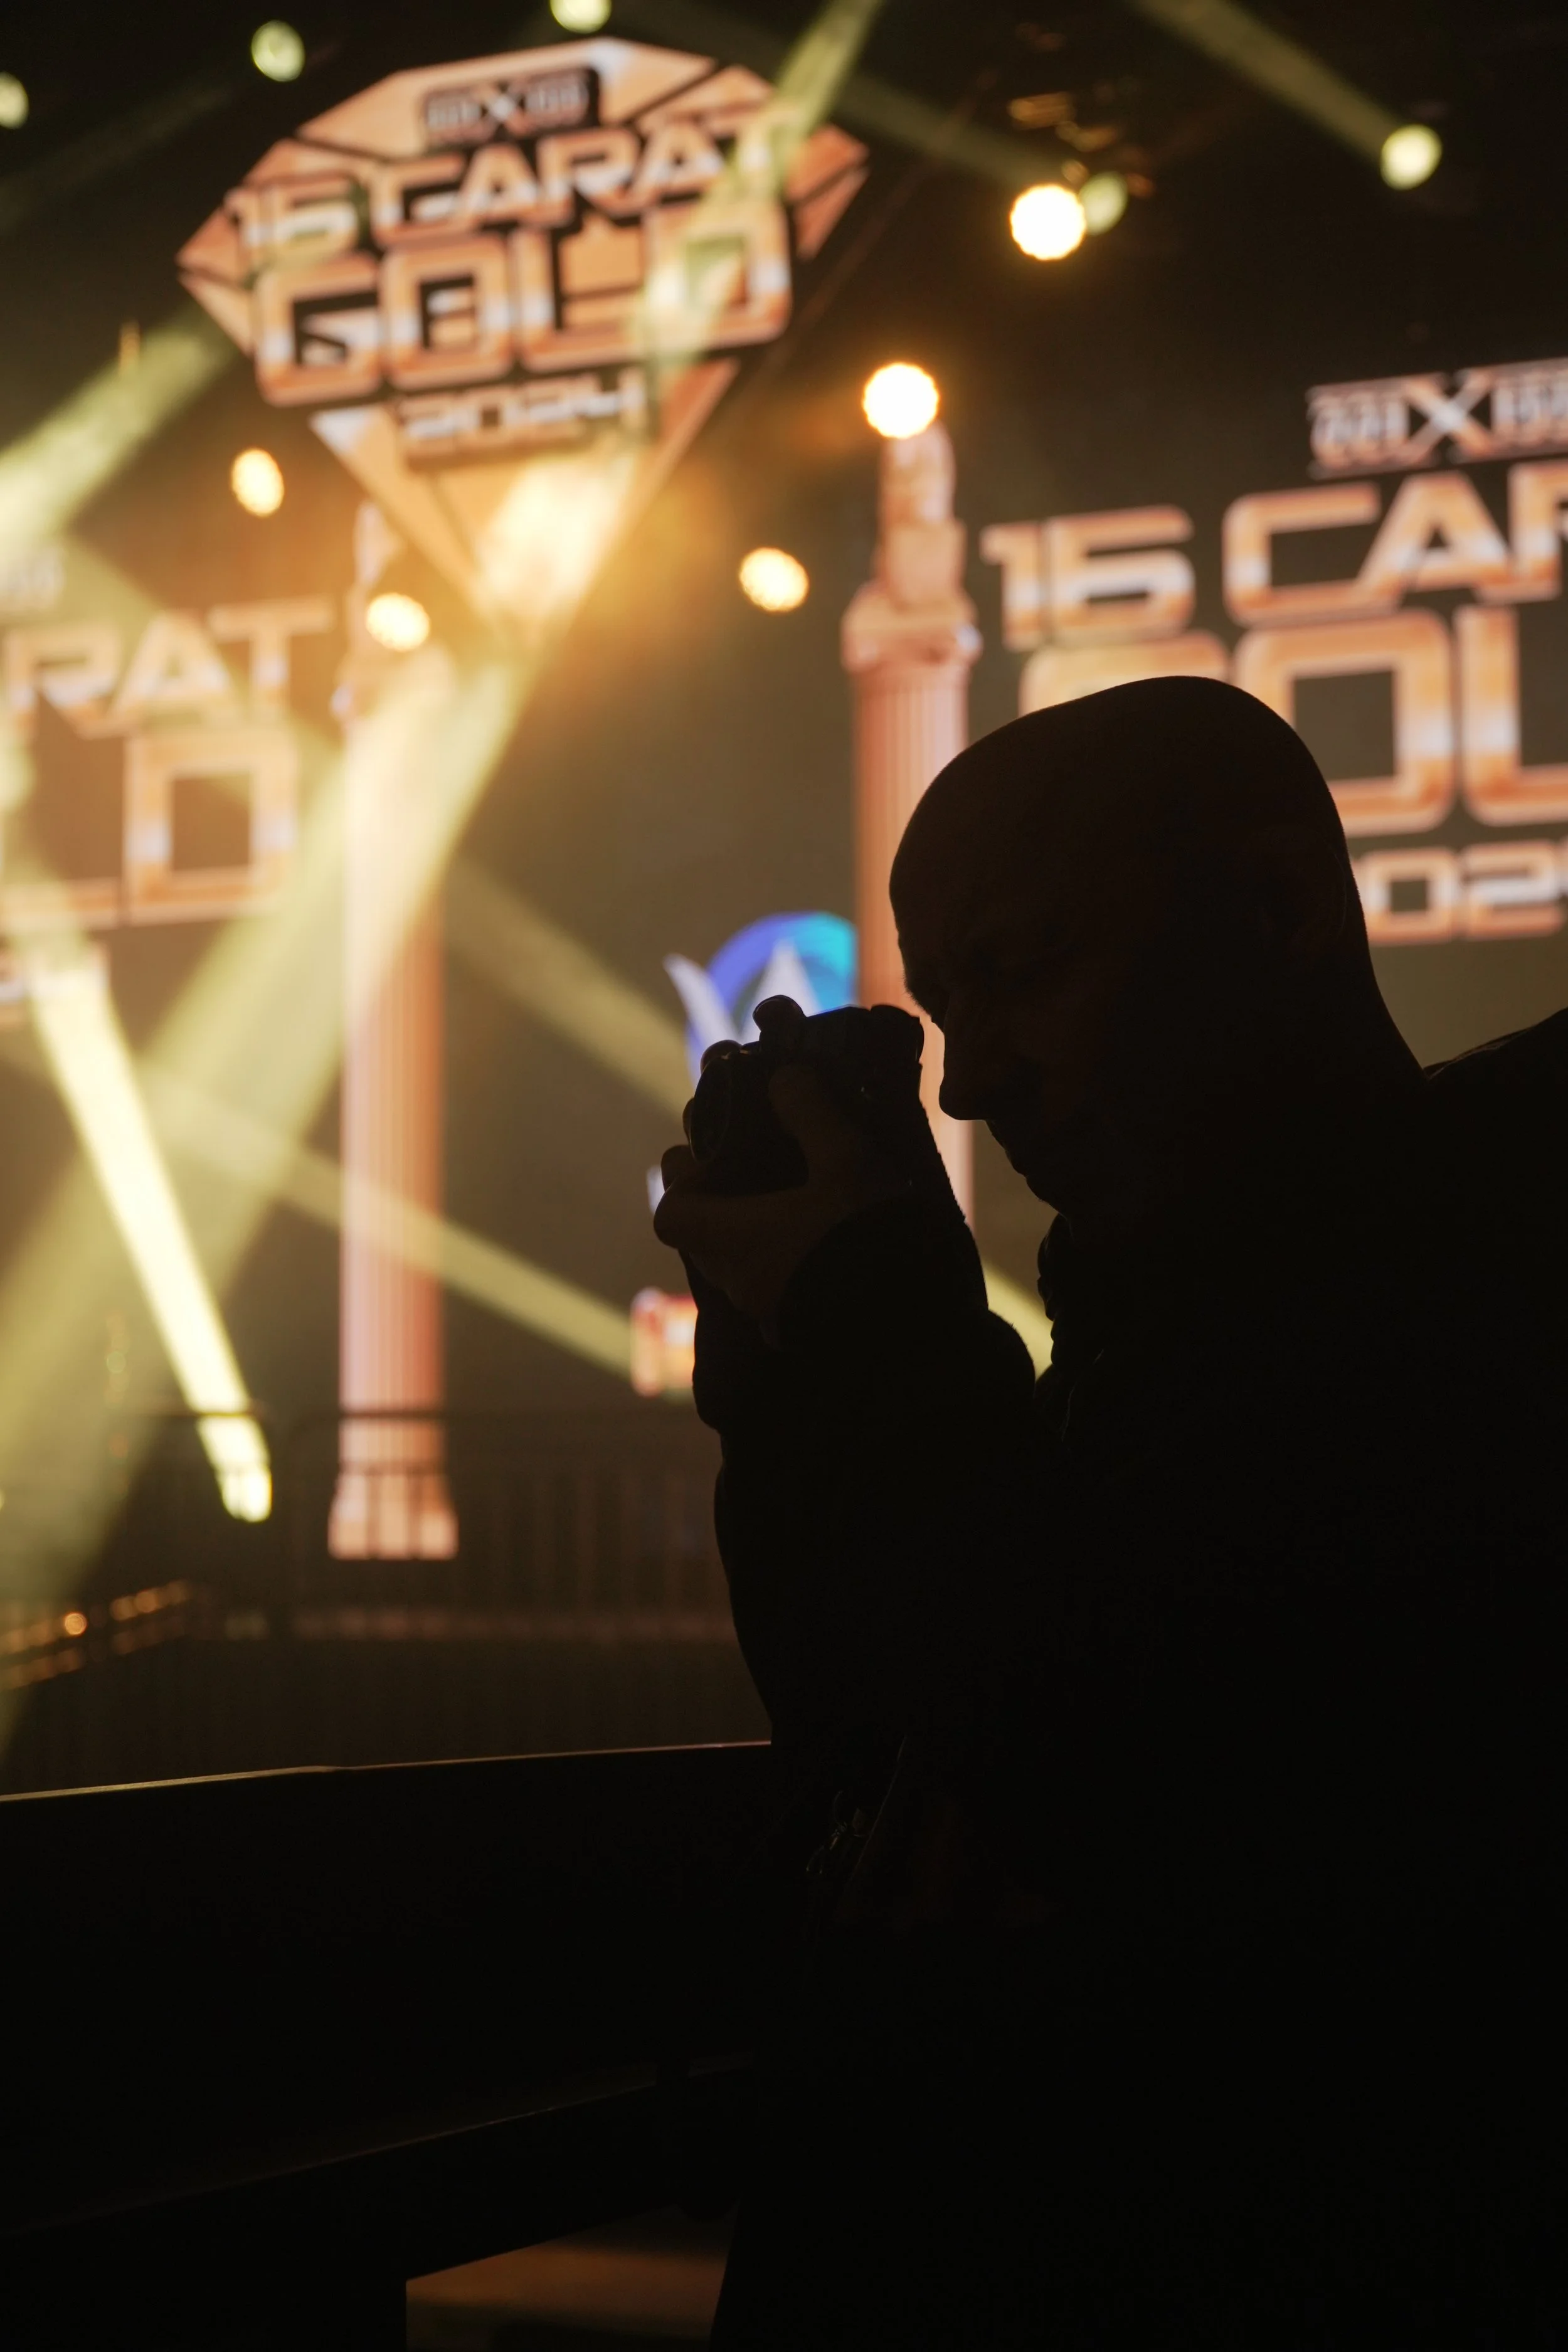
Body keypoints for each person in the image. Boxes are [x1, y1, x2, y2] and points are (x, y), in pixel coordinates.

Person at [655, 678, 1568, 2348]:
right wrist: (785, 1394)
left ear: (1277, 907)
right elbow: (875, 1736)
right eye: (946, 1005)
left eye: (1023, 972)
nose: (970, 1083)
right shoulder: (1146, 1337)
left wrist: (875, 1320)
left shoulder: (1481, 1316)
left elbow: (1103, 1758)